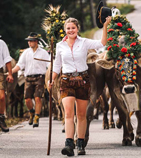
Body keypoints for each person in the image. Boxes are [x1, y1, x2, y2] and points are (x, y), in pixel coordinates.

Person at [49, 15, 111, 156]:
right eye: (68, 28)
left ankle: (81, 143)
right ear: (65, 30)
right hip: (66, 81)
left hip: (82, 80)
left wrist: (105, 26)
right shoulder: (59, 46)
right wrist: (51, 79)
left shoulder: (84, 42)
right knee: (69, 114)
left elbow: (102, 43)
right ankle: (69, 144)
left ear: (77, 29)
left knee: (81, 115)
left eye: (73, 28)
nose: (71, 30)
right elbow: (57, 65)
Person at [11, 32, 50, 127]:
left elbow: (49, 65)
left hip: (40, 77)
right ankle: (32, 112)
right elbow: (19, 65)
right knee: (27, 99)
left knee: (37, 98)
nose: (29, 43)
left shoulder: (43, 53)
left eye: (31, 41)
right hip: (28, 78)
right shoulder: (26, 53)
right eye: (28, 41)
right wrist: (10, 72)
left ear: (36, 41)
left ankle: (36, 117)